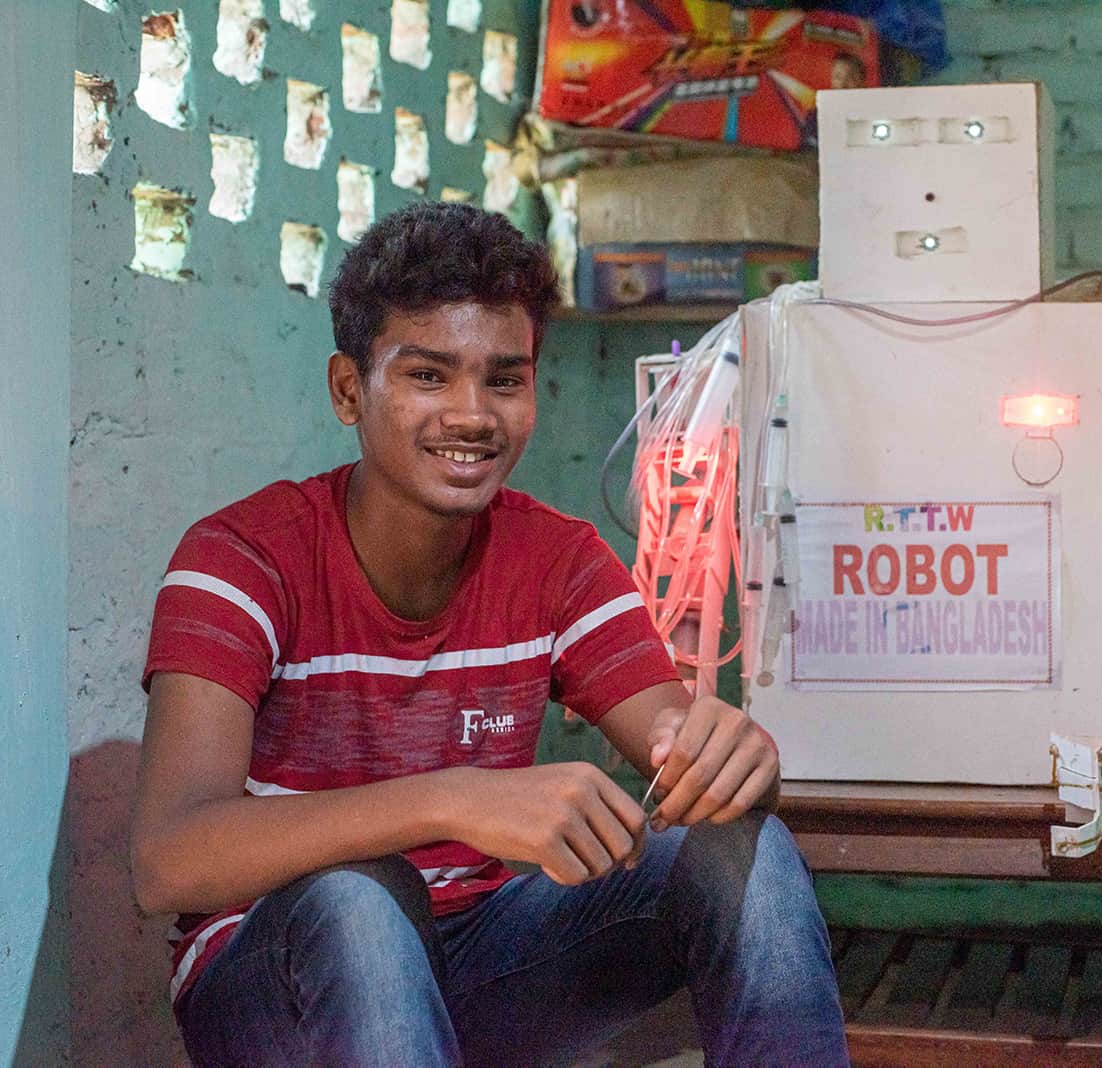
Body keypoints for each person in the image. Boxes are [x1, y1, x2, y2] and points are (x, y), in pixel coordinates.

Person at [130, 202, 848, 1067]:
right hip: (279, 982)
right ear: (349, 389)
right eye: (428, 376)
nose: (472, 415)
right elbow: (167, 860)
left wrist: (730, 760)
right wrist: (449, 797)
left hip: (477, 966)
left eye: (504, 380)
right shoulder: (244, 558)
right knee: (361, 899)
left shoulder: (558, 558)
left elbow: (670, 735)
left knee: (741, 850)